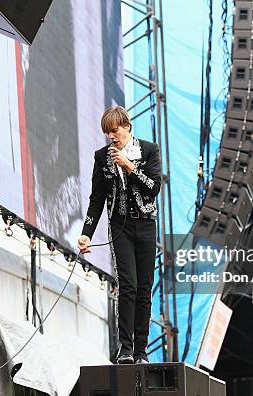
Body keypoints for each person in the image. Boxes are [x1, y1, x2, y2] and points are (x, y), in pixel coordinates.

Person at [77, 106, 162, 364]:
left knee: (144, 290)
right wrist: (86, 233)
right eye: (107, 133)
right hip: (119, 227)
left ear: (127, 126)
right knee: (128, 286)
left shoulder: (149, 150)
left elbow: (153, 188)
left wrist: (129, 167)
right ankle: (125, 348)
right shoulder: (102, 157)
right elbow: (97, 198)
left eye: (114, 131)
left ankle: (141, 351)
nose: (111, 137)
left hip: (146, 224)